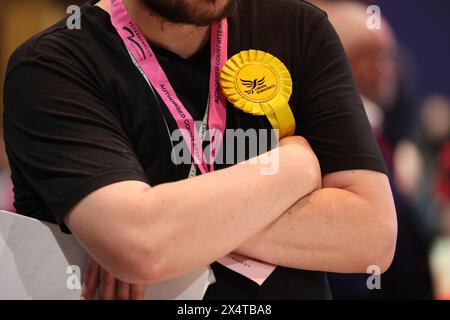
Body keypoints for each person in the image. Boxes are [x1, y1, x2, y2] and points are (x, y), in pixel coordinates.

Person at [3, 0, 396, 300]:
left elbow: (373, 238)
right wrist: (293, 167)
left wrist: (171, 225)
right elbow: (142, 244)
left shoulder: (297, 27)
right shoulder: (53, 64)